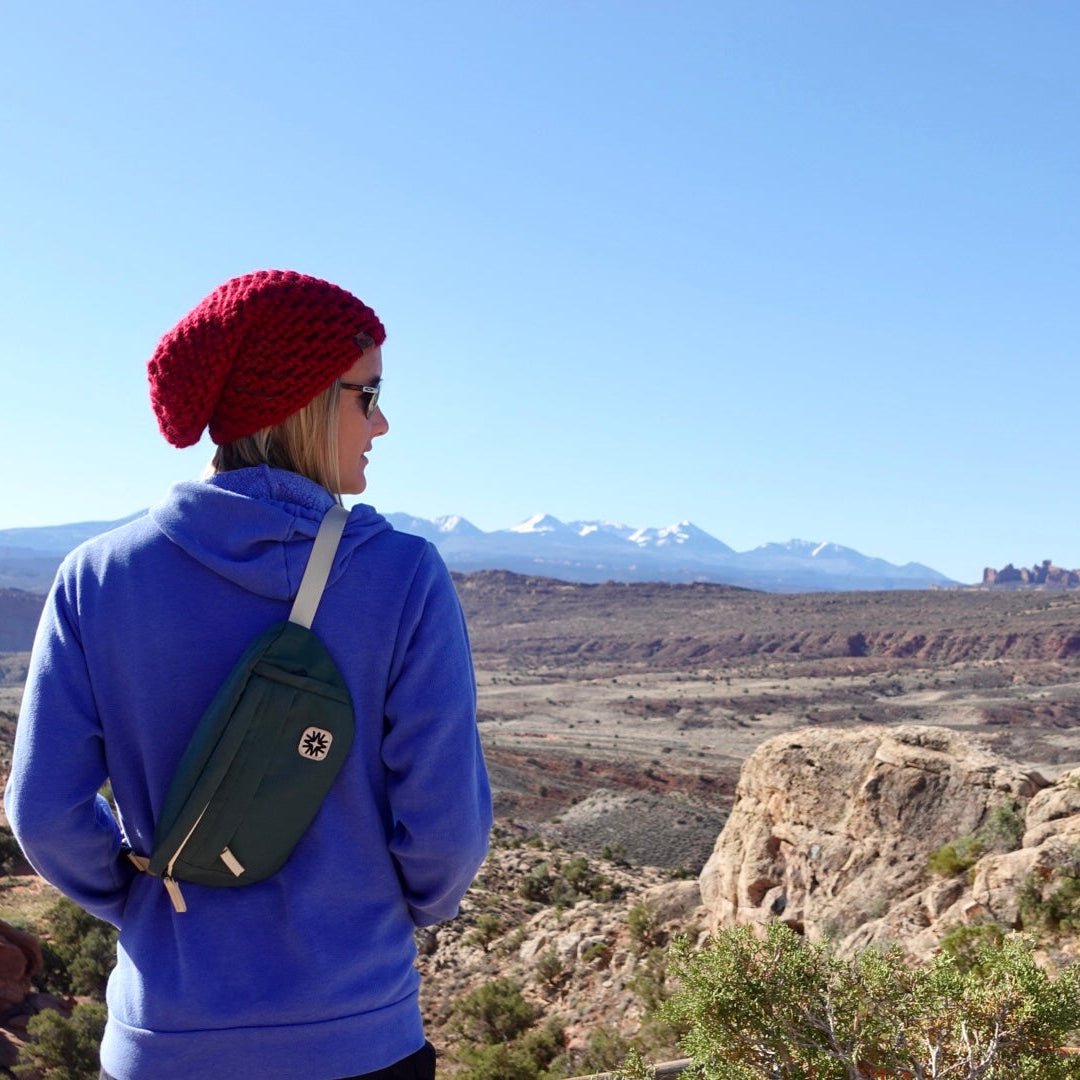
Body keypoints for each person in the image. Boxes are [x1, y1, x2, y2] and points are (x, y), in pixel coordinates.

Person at [4, 269, 493, 1080]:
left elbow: (44, 812)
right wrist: (383, 917)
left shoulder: (96, 577)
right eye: (367, 395)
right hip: (357, 1033)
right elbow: (444, 828)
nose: (383, 422)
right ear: (301, 401)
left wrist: (151, 908)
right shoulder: (402, 575)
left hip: (165, 1037)